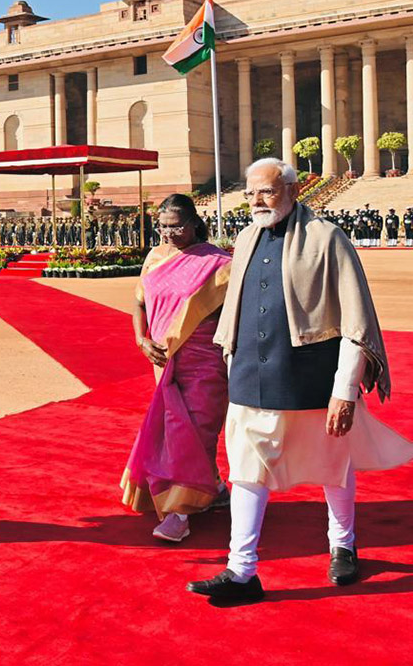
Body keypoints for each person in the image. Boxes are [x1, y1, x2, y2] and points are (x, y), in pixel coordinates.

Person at [187, 159, 413, 603]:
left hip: (312, 380)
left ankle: (343, 544)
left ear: (292, 190)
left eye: (267, 192)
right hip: (251, 379)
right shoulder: (246, 238)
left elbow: (355, 320)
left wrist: (345, 391)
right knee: (246, 474)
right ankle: (241, 572)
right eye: (250, 193)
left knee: (334, 466)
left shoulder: (329, 239)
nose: (256, 202)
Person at [122, 194, 232, 543]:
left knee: (197, 432)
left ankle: (179, 513)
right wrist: (141, 339)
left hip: (204, 361)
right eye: (164, 226)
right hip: (163, 360)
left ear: (195, 224)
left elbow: (233, 316)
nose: (169, 233)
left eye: (177, 226)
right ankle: (212, 486)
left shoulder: (219, 263)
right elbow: (138, 303)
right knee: (172, 428)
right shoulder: (154, 257)